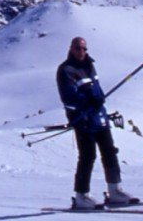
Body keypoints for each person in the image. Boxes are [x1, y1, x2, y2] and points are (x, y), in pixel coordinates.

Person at [56, 37, 137, 210]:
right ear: (71, 49)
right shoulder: (65, 70)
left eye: (84, 48)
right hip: (82, 118)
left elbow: (96, 89)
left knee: (110, 151)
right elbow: (68, 96)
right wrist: (87, 101)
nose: (81, 51)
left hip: (99, 116)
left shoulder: (90, 66)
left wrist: (98, 99)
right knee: (87, 156)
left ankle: (115, 190)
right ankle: (81, 195)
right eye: (77, 48)